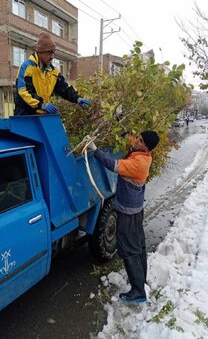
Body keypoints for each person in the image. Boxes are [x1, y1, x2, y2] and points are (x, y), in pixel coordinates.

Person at [88, 130, 160, 303]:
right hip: (134, 209)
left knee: (128, 249)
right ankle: (140, 280)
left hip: (128, 212)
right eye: (138, 138)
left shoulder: (140, 163)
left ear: (146, 147)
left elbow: (113, 165)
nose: (136, 141)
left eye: (140, 141)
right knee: (139, 245)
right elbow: (132, 142)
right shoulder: (142, 153)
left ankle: (138, 292)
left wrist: (95, 150)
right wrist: (122, 126)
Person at [14, 32, 91, 115]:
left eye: (53, 53)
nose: (52, 57)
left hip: (42, 115)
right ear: (40, 52)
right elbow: (24, 92)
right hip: (24, 117)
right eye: (49, 53)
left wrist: (77, 98)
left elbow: (65, 89)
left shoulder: (53, 72)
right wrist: (41, 104)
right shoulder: (27, 67)